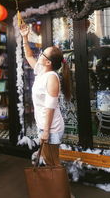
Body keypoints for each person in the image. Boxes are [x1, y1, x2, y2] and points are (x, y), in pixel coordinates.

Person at [20, 23, 71, 166]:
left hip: (52, 128)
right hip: (44, 125)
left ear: (48, 62)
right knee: (49, 161)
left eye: (43, 53)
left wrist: (46, 132)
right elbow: (29, 55)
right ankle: (55, 187)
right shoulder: (41, 71)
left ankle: (61, 188)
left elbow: (50, 107)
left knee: (53, 162)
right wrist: (25, 38)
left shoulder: (52, 78)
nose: (40, 54)